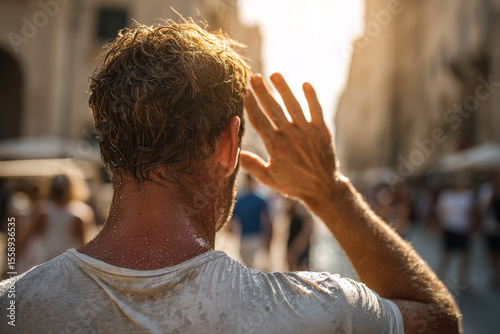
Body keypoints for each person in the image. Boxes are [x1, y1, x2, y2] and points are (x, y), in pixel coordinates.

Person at [0, 20, 460, 333]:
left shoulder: (14, 308)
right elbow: (438, 320)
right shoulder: (316, 311)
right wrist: (331, 193)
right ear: (227, 146)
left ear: (106, 146)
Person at [435, 176, 474, 287]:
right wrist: (439, 226)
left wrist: (472, 227)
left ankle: (463, 281)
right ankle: (440, 279)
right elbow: (439, 211)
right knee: (446, 255)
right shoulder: (446, 195)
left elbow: (472, 212)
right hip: (449, 228)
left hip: (463, 229)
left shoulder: (468, 195)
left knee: (465, 257)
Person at [232, 174, 272, 269]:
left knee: (246, 267)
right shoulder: (261, 200)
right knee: (255, 269)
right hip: (256, 238)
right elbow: (267, 221)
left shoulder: (239, 200)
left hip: (243, 238)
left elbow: (232, 221)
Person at [478, 173, 500, 286]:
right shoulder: (486, 189)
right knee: (492, 252)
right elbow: (483, 208)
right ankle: (495, 274)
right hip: (491, 227)